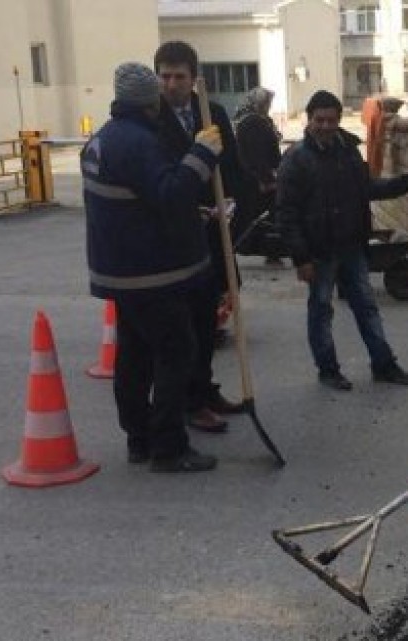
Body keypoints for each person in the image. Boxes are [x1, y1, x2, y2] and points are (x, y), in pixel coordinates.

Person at [82, 61, 224, 472]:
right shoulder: (138, 143)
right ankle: (168, 447)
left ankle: (139, 438)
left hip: (119, 270)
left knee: (135, 355)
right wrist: (201, 154)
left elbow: (137, 202)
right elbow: (171, 193)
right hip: (149, 273)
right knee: (176, 350)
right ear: (150, 103)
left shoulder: (102, 140)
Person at [275, 89, 408, 391]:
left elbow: (367, 188)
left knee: (367, 307)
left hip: (352, 246)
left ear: (340, 120)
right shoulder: (296, 159)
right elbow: (286, 214)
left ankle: (384, 365)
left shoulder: (349, 152)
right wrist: (301, 258)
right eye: (320, 120)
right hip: (319, 251)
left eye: (331, 120)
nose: (326, 126)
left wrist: (405, 183)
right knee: (321, 311)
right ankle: (328, 370)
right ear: (309, 119)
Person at [153, 40, 247, 434]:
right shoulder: (153, 119)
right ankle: (189, 403)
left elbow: (232, 167)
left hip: (214, 233)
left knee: (209, 320)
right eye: (165, 76)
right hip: (175, 237)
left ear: (194, 80)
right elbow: (158, 180)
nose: (172, 84)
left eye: (179, 77)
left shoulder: (214, 113)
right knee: (185, 327)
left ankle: (206, 390)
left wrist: (232, 202)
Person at [232, 86, 285, 267]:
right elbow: (257, 154)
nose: (269, 106)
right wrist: (266, 180)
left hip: (253, 177)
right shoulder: (254, 122)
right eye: (267, 102)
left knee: (255, 216)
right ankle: (265, 252)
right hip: (256, 179)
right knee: (262, 217)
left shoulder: (251, 120)